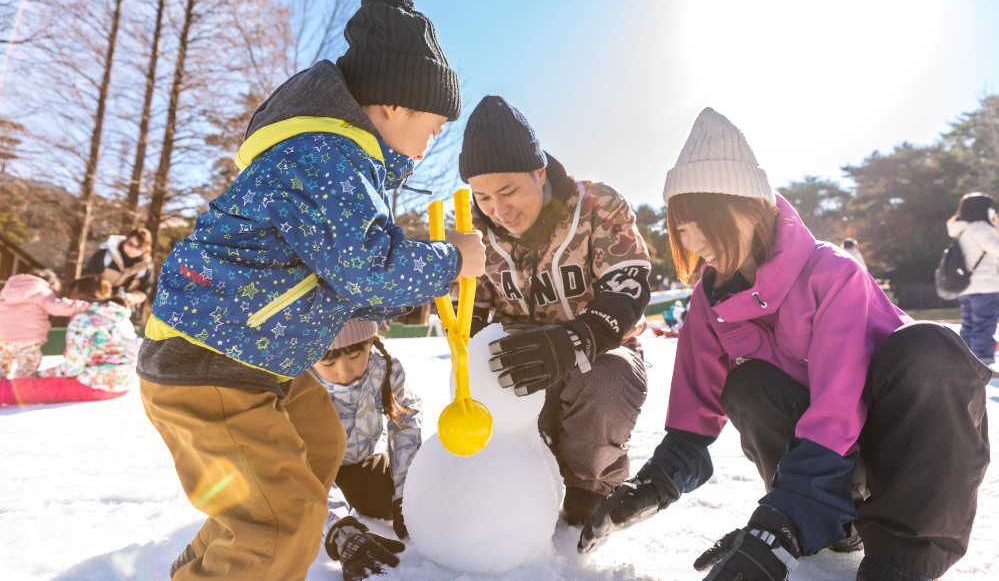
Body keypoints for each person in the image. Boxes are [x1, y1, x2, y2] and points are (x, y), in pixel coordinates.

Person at [138, 0, 485, 581]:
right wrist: (451, 260)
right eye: (431, 128)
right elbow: (368, 273)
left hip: (253, 362)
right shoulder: (324, 154)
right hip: (212, 367)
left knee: (317, 446)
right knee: (284, 518)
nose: (429, 147)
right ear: (396, 105)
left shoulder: (336, 158)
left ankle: (216, 560)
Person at [578, 108, 992, 581]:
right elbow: (694, 414)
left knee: (930, 349)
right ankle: (831, 529)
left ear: (747, 207)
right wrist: (650, 487)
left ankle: (899, 561)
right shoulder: (710, 300)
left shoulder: (831, 273)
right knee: (748, 383)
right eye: (681, 227)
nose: (690, 240)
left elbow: (840, 403)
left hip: (910, 451)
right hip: (832, 474)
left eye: (699, 222)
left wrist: (779, 524)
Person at [455, 95, 652, 526]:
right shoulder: (474, 229)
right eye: (483, 196)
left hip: (597, 347)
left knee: (608, 377)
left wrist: (579, 337)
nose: (498, 210)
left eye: (508, 191)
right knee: (482, 375)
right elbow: (468, 308)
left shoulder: (598, 204)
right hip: (520, 356)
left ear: (538, 172)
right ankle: (516, 472)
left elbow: (629, 280)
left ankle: (589, 483)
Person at [311, 321, 421, 572]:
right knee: (294, 514)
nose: (343, 370)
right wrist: (339, 530)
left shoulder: (385, 370)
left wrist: (405, 493)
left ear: (370, 341)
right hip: (315, 471)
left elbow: (405, 423)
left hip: (363, 464)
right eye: (328, 361)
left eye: (353, 355)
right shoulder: (299, 383)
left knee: (412, 504)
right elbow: (296, 462)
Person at [1, 275, 139, 405]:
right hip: (123, 384)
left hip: (94, 385)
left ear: (77, 296)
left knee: (19, 388)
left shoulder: (83, 319)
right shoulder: (121, 317)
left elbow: (73, 367)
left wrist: (40, 374)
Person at [0, 270, 90, 379]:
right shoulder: (41, 291)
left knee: (1, 366)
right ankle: (20, 388)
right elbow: (58, 307)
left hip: (3, 339)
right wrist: (84, 305)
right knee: (27, 368)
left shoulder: (7, 291)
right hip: (28, 340)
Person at [947, 193, 999, 366]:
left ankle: (966, 364)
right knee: (984, 325)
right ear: (982, 209)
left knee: (969, 326)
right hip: (985, 286)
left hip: (967, 287)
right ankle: (983, 365)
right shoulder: (982, 227)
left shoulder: (963, 230)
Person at [82, 228, 155, 321]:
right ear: (125, 240)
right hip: (96, 305)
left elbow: (144, 291)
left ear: (146, 249)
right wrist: (102, 295)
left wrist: (128, 297)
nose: (132, 249)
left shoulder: (146, 267)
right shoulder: (104, 255)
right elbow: (87, 279)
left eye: (138, 247)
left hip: (124, 309)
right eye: (130, 244)